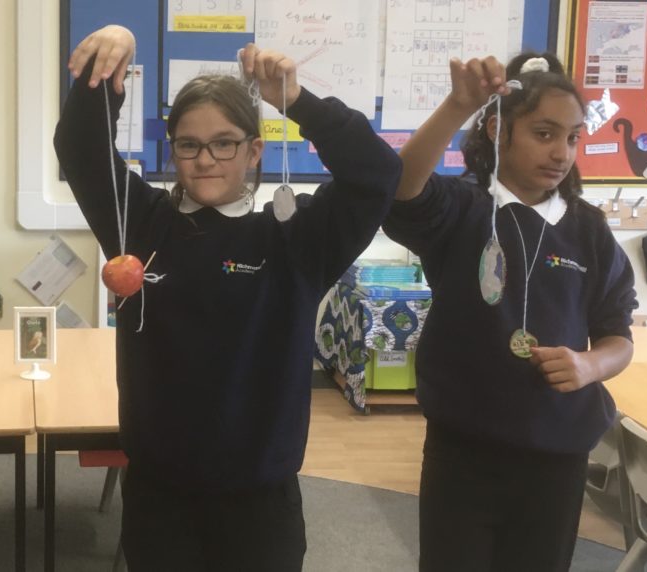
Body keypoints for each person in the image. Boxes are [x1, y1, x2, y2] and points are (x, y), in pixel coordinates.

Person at [54, 25, 401, 570]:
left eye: (224, 143)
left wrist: (298, 102)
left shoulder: (295, 238)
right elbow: (78, 147)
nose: (205, 158)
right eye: (189, 145)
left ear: (254, 149)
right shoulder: (141, 224)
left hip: (259, 503)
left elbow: (378, 173)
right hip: (159, 495)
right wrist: (113, 59)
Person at [382, 52, 637, 572]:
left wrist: (591, 365)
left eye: (572, 138)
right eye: (544, 134)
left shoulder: (587, 228)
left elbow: (618, 335)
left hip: (557, 455)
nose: (561, 152)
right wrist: (457, 106)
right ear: (500, 130)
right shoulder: (466, 209)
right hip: (464, 451)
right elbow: (402, 192)